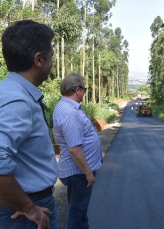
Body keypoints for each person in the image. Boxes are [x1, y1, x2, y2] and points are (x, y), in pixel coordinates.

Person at [0, 20, 58, 228]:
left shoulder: (8, 91)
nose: (52, 62)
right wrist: (29, 208)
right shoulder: (17, 100)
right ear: (39, 59)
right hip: (22, 210)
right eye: (51, 56)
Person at [53, 73, 103, 229]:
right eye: (84, 89)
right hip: (78, 172)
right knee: (77, 211)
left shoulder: (67, 107)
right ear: (77, 90)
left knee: (80, 211)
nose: (84, 93)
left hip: (77, 170)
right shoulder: (70, 113)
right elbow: (74, 149)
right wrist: (88, 173)